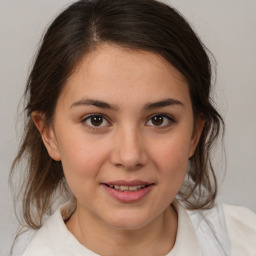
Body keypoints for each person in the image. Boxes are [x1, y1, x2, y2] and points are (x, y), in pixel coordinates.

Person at [10, 0, 256, 255]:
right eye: (96, 120)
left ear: (195, 133)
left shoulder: (245, 240)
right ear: (48, 134)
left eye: (159, 119)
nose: (129, 157)